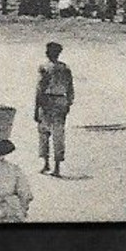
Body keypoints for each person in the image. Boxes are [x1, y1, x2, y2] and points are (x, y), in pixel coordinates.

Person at [35, 41, 75, 177]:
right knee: (58, 134)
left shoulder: (44, 67)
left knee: (44, 133)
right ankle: (57, 167)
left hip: (47, 100)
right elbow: (70, 89)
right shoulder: (65, 68)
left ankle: (46, 164)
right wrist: (68, 103)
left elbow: (40, 89)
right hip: (61, 101)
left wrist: (36, 108)